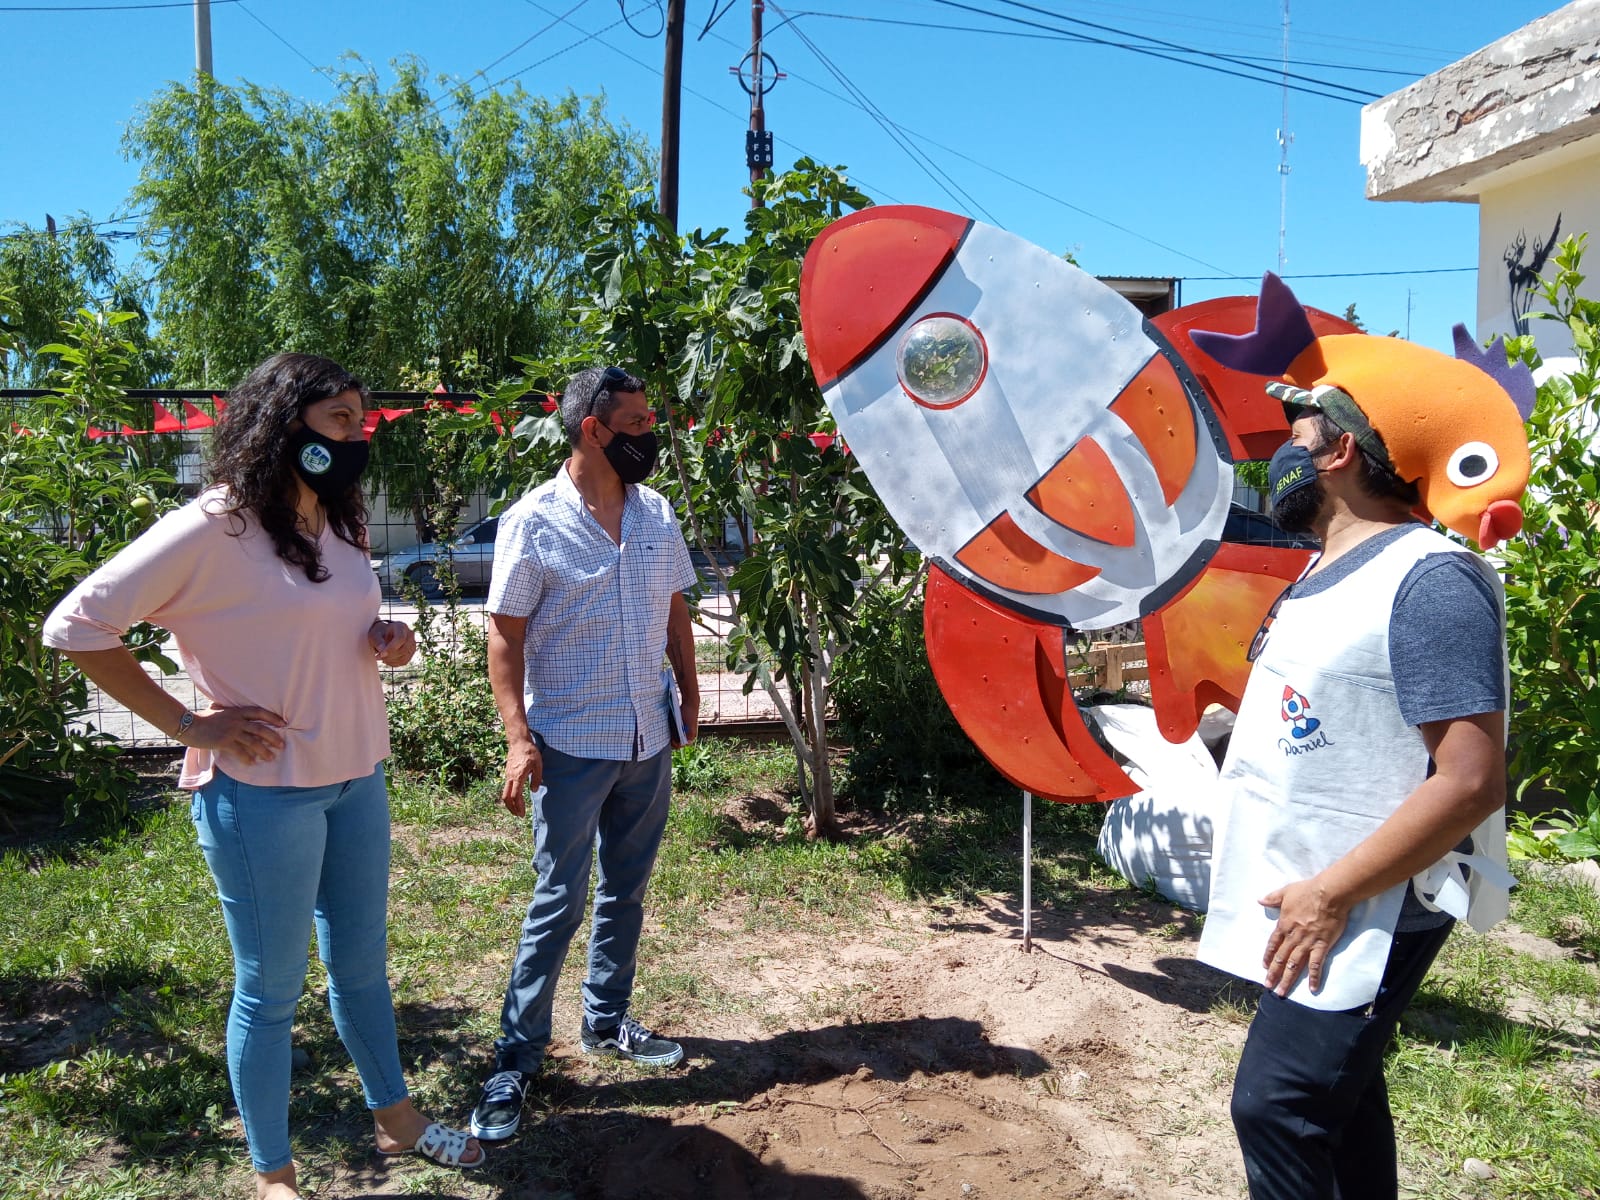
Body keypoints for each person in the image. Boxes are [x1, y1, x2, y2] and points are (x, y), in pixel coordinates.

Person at [43, 353, 483, 1200]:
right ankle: (272, 1174)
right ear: (285, 427)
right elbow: (76, 625)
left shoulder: (342, 520)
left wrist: (388, 638)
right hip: (260, 798)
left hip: (358, 778)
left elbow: (332, 624)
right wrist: (186, 721)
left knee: (362, 968)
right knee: (271, 990)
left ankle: (394, 1120)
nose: (360, 436)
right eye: (340, 421)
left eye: (364, 420)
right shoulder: (214, 526)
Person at [1194, 386, 1516, 1200]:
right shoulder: (1324, 570)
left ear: (1338, 452)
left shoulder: (1432, 579)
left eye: (1296, 435)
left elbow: (1471, 779)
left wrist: (1331, 894)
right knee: (1341, 1102)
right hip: (1323, 893)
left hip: (1372, 906)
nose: (1280, 457)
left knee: (1278, 1106)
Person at [470, 365, 700, 1143]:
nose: (648, 436)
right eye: (633, 424)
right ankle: (515, 1058)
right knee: (557, 903)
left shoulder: (657, 513)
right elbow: (505, 635)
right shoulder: (533, 522)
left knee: (625, 891)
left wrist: (690, 687)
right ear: (590, 429)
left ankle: (606, 1021)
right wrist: (515, 738)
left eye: (647, 420)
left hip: (647, 736)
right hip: (570, 743)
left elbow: (674, 605)